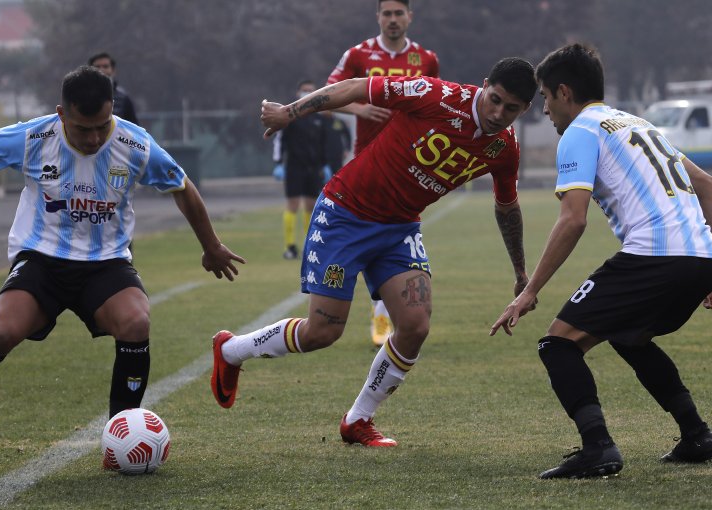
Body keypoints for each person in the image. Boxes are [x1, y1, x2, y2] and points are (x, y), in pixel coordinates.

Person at [0, 66, 245, 472]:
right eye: (83, 129)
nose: (95, 137)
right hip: (42, 258)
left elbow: (182, 187)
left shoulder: (135, 144)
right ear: (62, 114)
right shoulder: (32, 137)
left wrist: (212, 246)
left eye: (102, 126)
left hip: (106, 263)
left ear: (112, 109)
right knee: (3, 332)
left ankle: (120, 437)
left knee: (136, 322)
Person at [209, 58, 537, 448]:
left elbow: (507, 207)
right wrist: (289, 113)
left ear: (525, 110)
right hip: (345, 216)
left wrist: (520, 271)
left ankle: (358, 419)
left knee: (415, 325)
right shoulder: (437, 95)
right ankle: (230, 351)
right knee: (322, 333)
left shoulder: (505, 149)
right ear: (485, 85)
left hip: (399, 231)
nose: (498, 113)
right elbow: (356, 87)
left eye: (511, 108)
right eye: (495, 99)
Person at [490, 43, 712, 479]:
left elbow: (572, 220)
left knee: (558, 345)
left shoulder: (581, 130)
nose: (543, 110)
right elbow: (709, 186)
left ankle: (597, 448)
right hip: (699, 257)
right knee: (629, 336)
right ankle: (696, 435)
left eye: (544, 97)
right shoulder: (640, 124)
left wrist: (530, 290)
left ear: (564, 92)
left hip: (656, 257)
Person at [327, 0, 440, 347]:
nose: (393, 20)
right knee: (369, 235)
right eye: (386, 14)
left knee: (395, 238)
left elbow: (436, 103)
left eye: (398, 13)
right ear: (378, 17)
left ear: (409, 17)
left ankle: (387, 310)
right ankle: (380, 313)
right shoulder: (358, 55)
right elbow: (329, 92)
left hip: (409, 167)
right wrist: (361, 106)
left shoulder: (426, 59)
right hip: (367, 166)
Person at [272, 79, 331, 260]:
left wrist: (325, 164)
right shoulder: (290, 116)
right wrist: (278, 163)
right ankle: (290, 246)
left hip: (314, 168)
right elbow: (279, 140)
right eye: (304, 91)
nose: (307, 94)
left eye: (311, 91)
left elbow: (324, 144)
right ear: (298, 93)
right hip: (294, 167)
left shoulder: (320, 119)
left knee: (312, 207)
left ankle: (309, 246)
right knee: (293, 205)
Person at [88, 52, 139, 125]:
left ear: (113, 70)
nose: (101, 70)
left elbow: (133, 127)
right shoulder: (81, 96)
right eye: (97, 67)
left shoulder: (123, 98)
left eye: (105, 66)